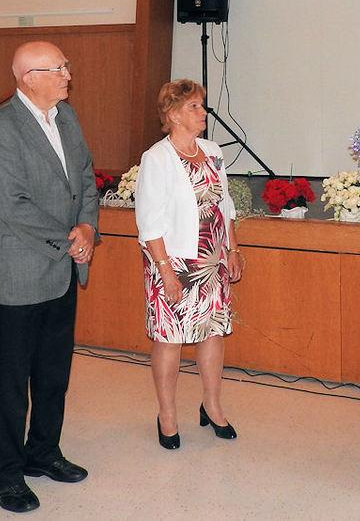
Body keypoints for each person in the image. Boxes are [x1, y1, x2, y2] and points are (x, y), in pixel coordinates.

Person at [0, 41, 99, 514]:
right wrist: (69, 239)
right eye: (59, 68)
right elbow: (12, 204)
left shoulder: (66, 117)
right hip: (23, 270)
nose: (68, 74)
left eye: (66, 66)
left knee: (53, 373)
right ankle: (5, 475)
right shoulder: (0, 128)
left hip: (63, 268)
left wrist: (87, 227)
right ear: (29, 78)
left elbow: (84, 178)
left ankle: (43, 453)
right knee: (12, 380)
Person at [134, 79, 243, 450]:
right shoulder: (157, 158)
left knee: (213, 333)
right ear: (174, 115)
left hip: (212, 258)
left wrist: (233, 249)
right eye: (194, 106)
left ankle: (212, 405)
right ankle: (166, 414)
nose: (202, 112)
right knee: (170, 339)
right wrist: (166, 272)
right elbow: (149, 221)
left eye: (201, 105)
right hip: (172, 260)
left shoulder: (212, 151)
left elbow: (224, 205)